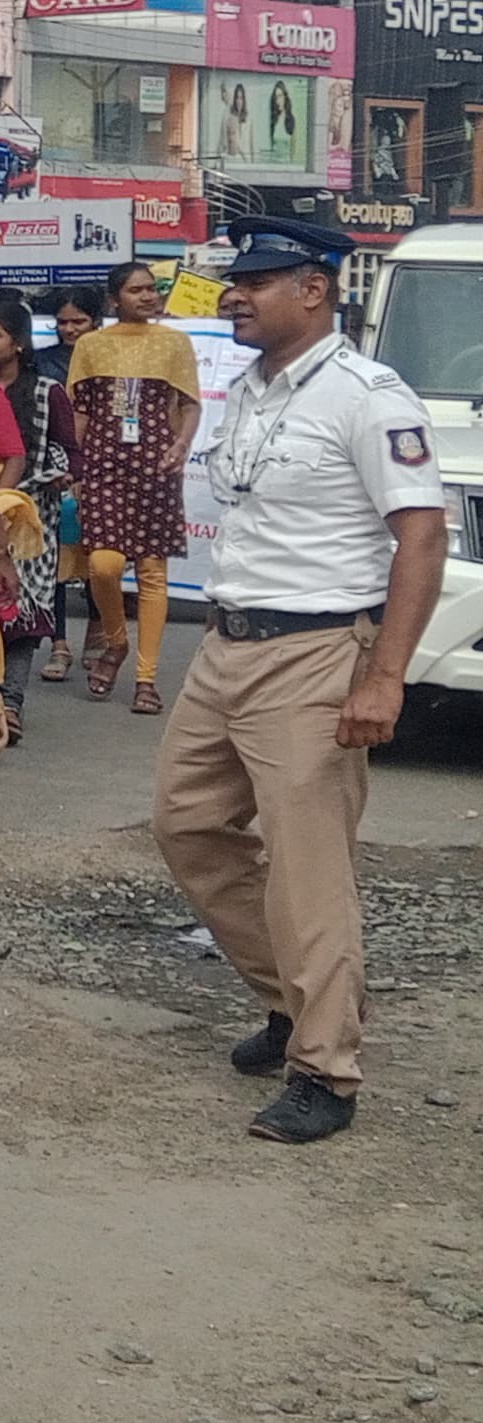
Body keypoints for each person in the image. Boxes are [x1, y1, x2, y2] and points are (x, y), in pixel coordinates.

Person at [154, 229, 449, 1145]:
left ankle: (326, 1068)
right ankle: (295, 998)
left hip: (317, 652)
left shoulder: (368, 396)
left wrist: (384, 677)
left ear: (314, 290)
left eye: (256, 282)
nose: (233, 296)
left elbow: (423, 536)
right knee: (188, 824)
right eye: (233, 282)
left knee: (308, 868)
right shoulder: (251, 388)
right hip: (228, 645)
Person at [63, 258, 201, 712]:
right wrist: (73, 464)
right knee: (103, 564)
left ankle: (146, 679)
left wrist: (181, 445)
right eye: (136, 290)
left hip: (156, 463)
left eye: (151, 288)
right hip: (103, 463)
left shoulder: (174, 343)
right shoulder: (91, 345)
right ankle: (116, 641)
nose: (147, 296)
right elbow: (80, 409)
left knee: (152, 572)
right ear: (114, 299)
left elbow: (190, 405)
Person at [0, 292, 65, 750]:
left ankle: (11, 702)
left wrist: (50, 478)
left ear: (20, 342)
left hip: (29, 516)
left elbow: (69, 454)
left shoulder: (47, 392)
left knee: (22, 612)